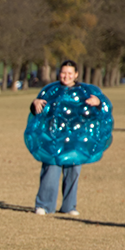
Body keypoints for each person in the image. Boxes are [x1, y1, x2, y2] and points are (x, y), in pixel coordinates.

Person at [30, 60, 102, 216]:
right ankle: (44, 205)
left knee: (73, 171)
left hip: (76, 139)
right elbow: (37, 112)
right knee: (51, 168)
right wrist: (34, 103)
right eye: (63, 73)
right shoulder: (51, 91)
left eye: (70, 73)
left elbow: (101, 112)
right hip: (53, 138)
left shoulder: (85, 92)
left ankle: (69, 206)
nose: (66, 76)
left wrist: (98, 103)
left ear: (76, 74)